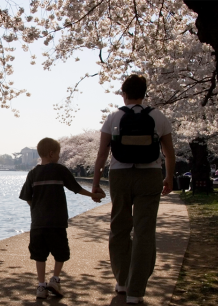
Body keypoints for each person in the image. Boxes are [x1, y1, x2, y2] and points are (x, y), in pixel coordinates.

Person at [92, 75, 175, 304]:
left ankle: (121, 282)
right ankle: (136, 292)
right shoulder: (158, 116)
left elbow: (101, 155)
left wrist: (96, 182)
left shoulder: (113, 117)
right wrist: (168, 177)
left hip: (119, 175)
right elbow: (168, 152)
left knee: (119, 227)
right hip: (150, 176)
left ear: (123, 93)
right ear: (144, 93)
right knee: (144, 232)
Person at [19, 137, 105, 299]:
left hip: (38, 223)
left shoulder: (32, 174)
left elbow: (27, 197)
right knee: (61, 252)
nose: (59, 156)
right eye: (58, 153)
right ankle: (55, 279)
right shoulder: (60, 170)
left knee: (39, 254)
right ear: (52, 154)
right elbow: (76, 188)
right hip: (57, 222)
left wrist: (36, 208)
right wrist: (93, 195)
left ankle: (41, 286)